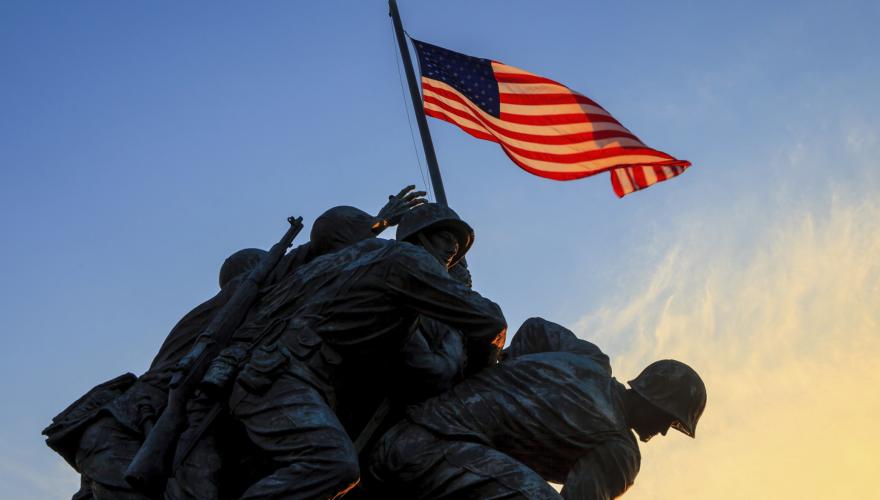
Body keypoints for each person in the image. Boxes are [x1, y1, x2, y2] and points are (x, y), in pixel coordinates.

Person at [45, 186, 426, 500]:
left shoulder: (220, 311)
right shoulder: (235, 306)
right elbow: (312, 261)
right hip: (135, 428)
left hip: (133, 426)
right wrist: (376, 225)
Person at [222, 203, 507, 499]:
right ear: (421, 236)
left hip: (289, 375)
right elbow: (489, 321)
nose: (453, 247)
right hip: (280, 376)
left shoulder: (356, 256)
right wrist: (479, 365)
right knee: (332, 467)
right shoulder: (409, 261)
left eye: (458, 243)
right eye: (446, 236)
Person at [367, 317, 707, 500]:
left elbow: (533, 329)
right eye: (667, 419)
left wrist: (503, 376)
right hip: (423, 455)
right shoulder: (618, 450)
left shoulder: (588, 359)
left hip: (412, 425)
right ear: (651, 398)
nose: (663, 431)